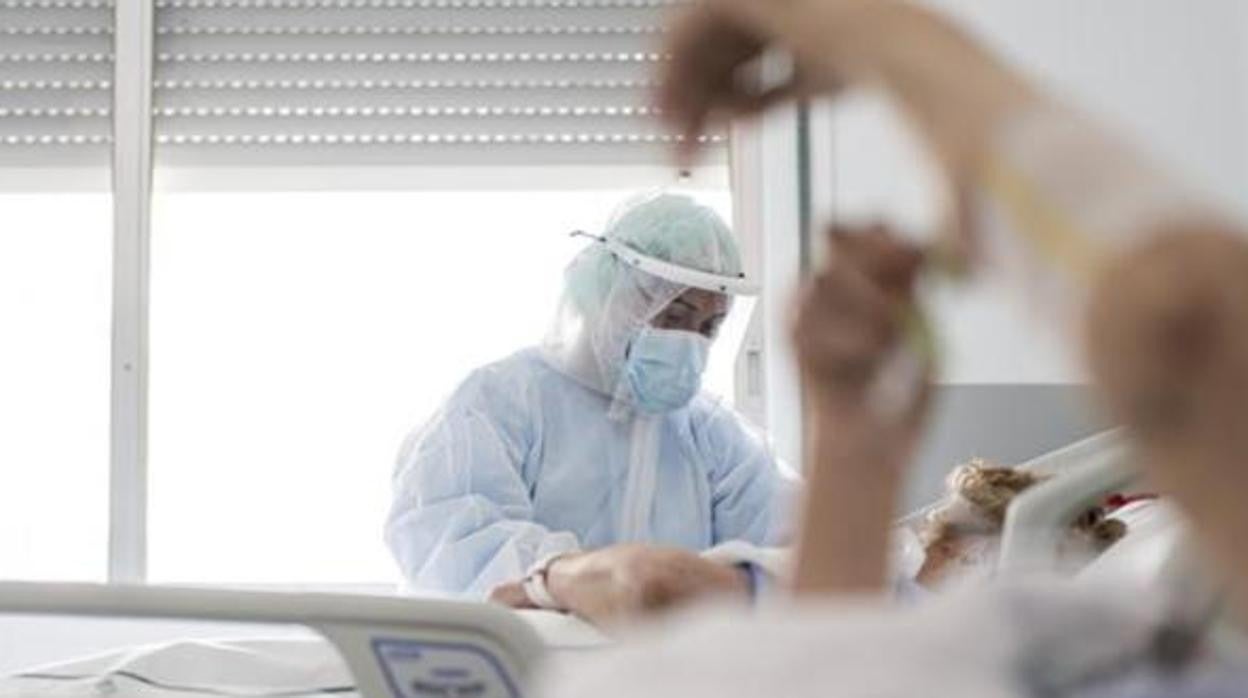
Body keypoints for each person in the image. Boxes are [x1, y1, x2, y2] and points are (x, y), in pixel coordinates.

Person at [537, 0, 1248, 695]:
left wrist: (549, 576)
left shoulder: (1025, 616)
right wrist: (855, 444)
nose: (935, 545)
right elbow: (844, 668)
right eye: (939, 531)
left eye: (956, 539)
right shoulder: (923, 600)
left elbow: (1180, 328)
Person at [385, 192, 796, 620]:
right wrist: (584, 582)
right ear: (611, 293)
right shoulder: (501, 403)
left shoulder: (710, 434)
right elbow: (451, 544)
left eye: (708, 327)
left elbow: (793, 551)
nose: (689, 342)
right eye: (674, 317)